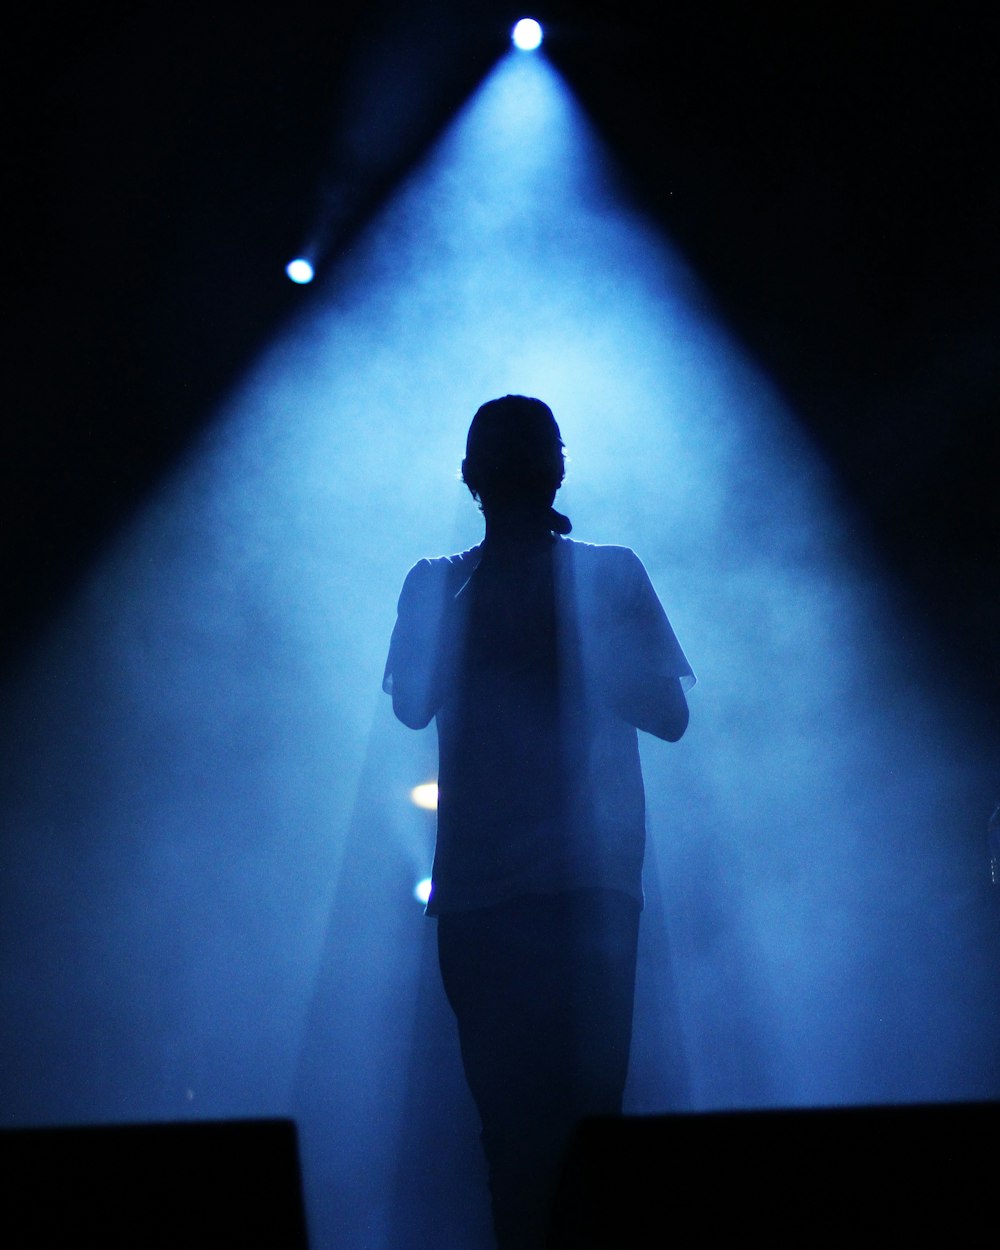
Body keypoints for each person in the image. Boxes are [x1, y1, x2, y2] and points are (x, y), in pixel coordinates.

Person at [383, 396, 695, 1248]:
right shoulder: (438, 582)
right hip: (499, 894)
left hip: (573, 888)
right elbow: (413, 704)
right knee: (521, 1131)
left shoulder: (608, 574)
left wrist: (577, 636)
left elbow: (669, 715)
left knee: (569, 1128)